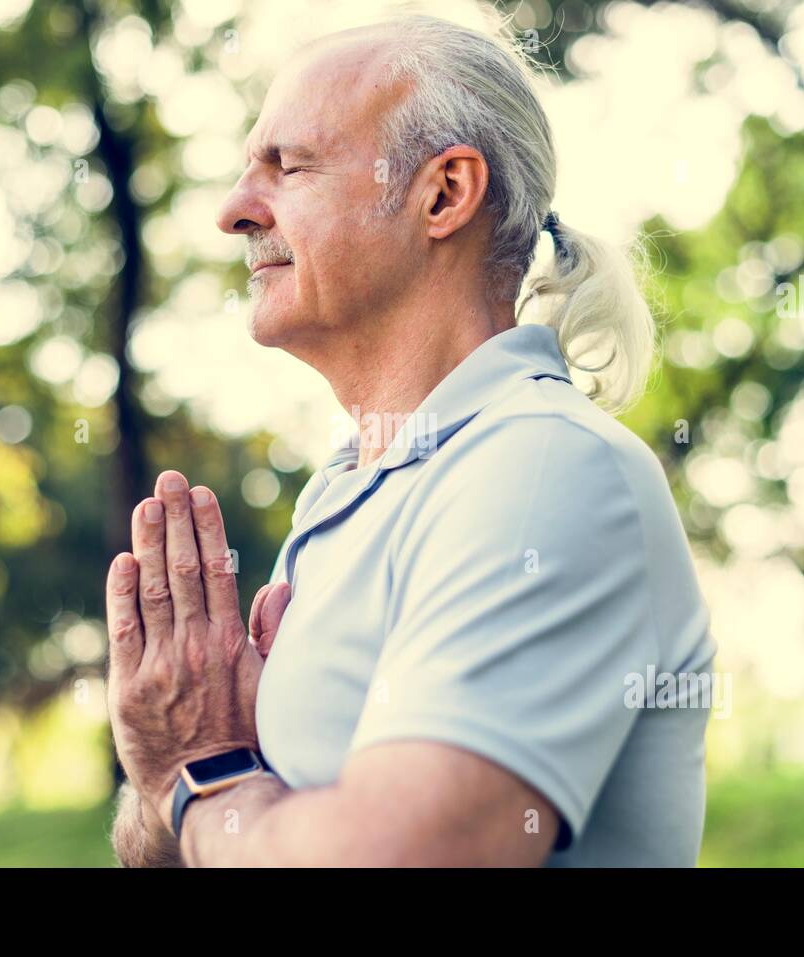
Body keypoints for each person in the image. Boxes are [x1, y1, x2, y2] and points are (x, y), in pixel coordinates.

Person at [106, 13, 715, 867]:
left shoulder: (545, 466)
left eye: (287, 166)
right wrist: (178, 766)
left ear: (443, 194)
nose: (234, 211)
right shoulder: (352, 490)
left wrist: (203, 769)